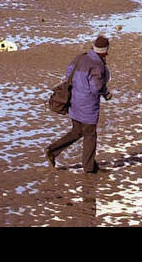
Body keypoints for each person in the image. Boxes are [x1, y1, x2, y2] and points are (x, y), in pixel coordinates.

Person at [46, 36, 112, 173]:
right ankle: (89, 168)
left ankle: (52, 150)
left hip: (74, 102)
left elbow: (68, 73)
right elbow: (96, 88)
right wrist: (106, 92)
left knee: (77, 131)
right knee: (90, 135)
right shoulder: (97, 65)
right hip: (88, 106)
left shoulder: (80, 57)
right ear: (105, 51)